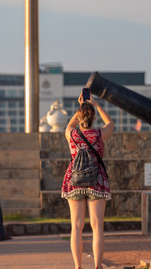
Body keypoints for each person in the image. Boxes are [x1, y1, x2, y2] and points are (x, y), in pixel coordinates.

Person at [61, 92, 114, 269]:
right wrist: (97, 105)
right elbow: (110, 123)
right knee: (97, 226)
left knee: (76, 226)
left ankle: (78, 266)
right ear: (93, 117)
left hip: (74, 181)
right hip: (96, 181)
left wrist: (80, 108)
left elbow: (70, 125)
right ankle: (97, 267)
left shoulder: (72, 135)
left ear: (80, 116)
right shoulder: (100, 135)